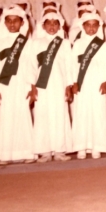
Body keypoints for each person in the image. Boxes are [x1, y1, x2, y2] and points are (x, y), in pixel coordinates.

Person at [27, 12, 74, 162]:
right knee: (42, 116)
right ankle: (45, 151)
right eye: (49, 23)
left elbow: (69, 66)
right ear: (43, 25)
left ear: (60, 26)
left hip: (59, 84)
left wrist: (68, 85)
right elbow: (32, 66)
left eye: (55, 24)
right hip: (42, 85)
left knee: (60, 115)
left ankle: (60, 150)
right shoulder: (36, 43)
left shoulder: (64, 43)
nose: (52, 26)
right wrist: (32, 86)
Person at [0, 7, 36, 164]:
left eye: (15, 21)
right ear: (4, 23)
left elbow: (31, 65)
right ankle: (4, 154)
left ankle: (26, 152)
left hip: (22, 83)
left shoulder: (28, 42)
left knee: (22, 115)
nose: (12, 24)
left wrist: (32, 87)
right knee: (5, 116)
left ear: (22, 22)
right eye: (9, 21)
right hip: (5, 85)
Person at [71, 12, 106, 159]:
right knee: (81, 113)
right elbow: (72, 65)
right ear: (83, 26)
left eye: (95, 25)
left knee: (98, 113)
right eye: (88, 25)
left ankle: (97, 146)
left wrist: (105, 81)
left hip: (97, 83)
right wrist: (74, 82)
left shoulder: (101, 44)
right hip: (81, 83)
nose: (92, 28)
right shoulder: (77, 44)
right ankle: (81, 147)